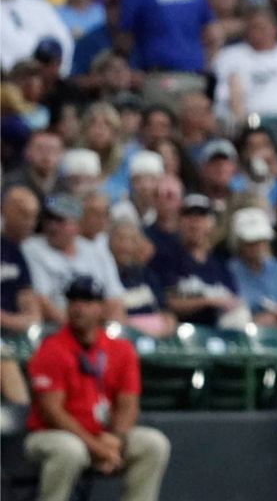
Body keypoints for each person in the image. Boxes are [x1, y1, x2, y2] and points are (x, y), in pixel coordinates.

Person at [24, 277, 170, 501]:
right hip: (51, 435)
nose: (79, 307)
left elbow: (128, 403)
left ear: (102, 308)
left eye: (88, 301)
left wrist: (115, 440)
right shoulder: (52, 349)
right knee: (69, 450)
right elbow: (52, 413)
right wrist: (97, 447)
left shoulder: (120, 349)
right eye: (73, 301)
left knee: (153, 443)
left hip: (103, 435)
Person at [117, 0, 213, 106]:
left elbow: (124, 40)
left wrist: (131, 68)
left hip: (159, 80)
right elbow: (212, 33)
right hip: (195, 78)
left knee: (161, 129)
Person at [24, 195, 126, 325]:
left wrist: (106, 334)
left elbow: (115, 299)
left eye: (60, 220)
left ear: (78, 224)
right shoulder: (32, 248)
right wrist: (75, 332)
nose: (52, 226)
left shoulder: (96, 251)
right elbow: (41, 300)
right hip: (56, 329)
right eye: (48, 219)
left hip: (97, 328)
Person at [150, 194, 244, 328]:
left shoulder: (219, 264)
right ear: (179, 221)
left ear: (210, 224)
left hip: (217, 332)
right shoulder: (166, 258)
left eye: (201, 216)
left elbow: (233, 301)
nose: (194, 222)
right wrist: (207, 301)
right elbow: (168, 302)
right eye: (188, 216)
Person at [227, 208, 277, 328]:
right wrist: (253, 321)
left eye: (261, 240)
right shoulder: (229, 272)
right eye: (251, 242)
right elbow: (227, 319)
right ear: (239, 243)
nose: (257, 247)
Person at [1, 186, 42, 332]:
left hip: (12, 333)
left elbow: (26, 296)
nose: (29, 223)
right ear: (4, 210)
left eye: (33, 216)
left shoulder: (13, 250)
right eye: (23, 214)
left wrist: (29, 318)